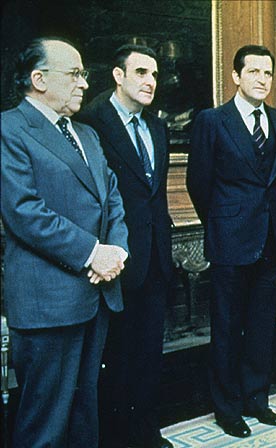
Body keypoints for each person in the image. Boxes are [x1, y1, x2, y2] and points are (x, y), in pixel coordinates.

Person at [0, 37, 129, 447]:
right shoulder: (9, 129)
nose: (84, 83)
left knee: (82, 416)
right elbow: (24, 211)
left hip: (95, 296)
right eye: (74, 73)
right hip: (48, 304)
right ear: (38, 79)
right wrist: (93, 253)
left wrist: (116, 250)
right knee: (45, 425)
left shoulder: (87, 134)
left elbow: (112, 199)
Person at [186, 44, 276, 439]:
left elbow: (275, 182)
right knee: (228, 328)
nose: (262, 79)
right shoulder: (213, 121)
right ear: (235, 76)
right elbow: (199, 183)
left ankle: (256, 399)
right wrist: (222, 222)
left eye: (268, 73)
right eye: (254, 72)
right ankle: (227, 408)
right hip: (230, 239)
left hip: (271, 238)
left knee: (262, 325)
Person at [78, 44, 174, 448]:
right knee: (114, 357)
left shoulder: (156, 126)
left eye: (154, 75)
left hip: (155, 258)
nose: (151, 82)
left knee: (150, 354)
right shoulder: (91, 121)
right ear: (118, 76)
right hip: (114, 259)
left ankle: (147, 433)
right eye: (141, 73)